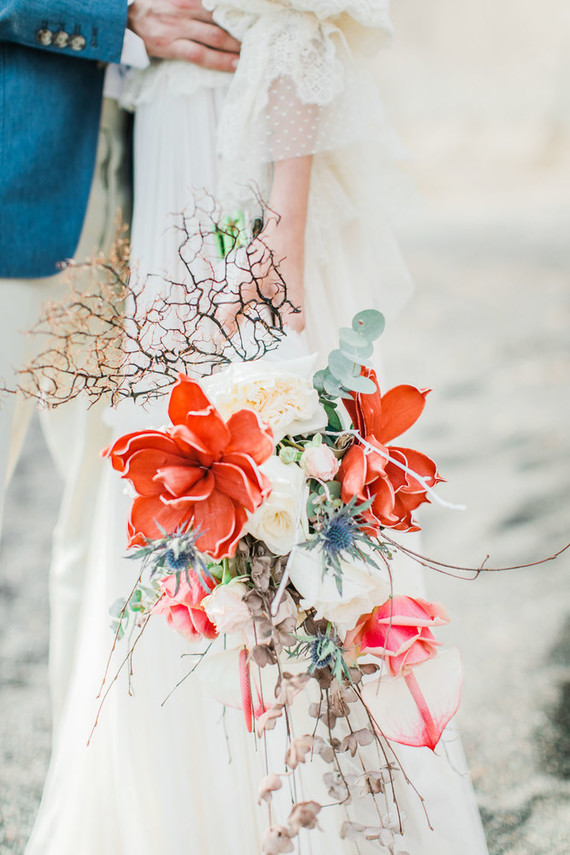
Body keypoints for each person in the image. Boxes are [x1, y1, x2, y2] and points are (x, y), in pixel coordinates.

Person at [24, 1, 490, 853]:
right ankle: (173, 807)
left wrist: (283, 227)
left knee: (265, 470)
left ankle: (289, 795)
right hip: (164, 168)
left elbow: (305, 20)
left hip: (227, 162)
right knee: (168, 490)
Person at [0, 0, 239, 723]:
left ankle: (78, 792)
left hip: (141, 188)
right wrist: (120, 13)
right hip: (12, 172)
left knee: (104, 525)